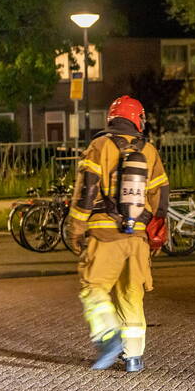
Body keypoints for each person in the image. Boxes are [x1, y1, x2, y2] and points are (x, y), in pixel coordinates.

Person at [64, 96, 169, 372]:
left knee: (93, 288)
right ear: (137, 120)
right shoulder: (150, 151)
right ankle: (133, 357)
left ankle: (108, 336)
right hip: (138, 239)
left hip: (106, 234)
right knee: (131, 294)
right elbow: (161, 197)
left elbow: (86, 190)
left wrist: (76, 227)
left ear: (112, 118)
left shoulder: (100, 146)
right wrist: (156, 234)